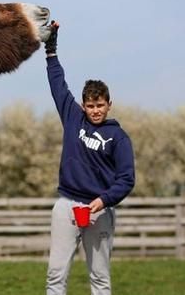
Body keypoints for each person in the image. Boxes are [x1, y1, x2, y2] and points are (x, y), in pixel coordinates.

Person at [43, 21, 136, 295]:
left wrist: (103, 200)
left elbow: (127, 179)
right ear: (83, 106)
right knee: (55, 276)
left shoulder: (119, 138)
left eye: (100, 105)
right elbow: (58, 85)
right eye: (91, 106)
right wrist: (51, 48)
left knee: (100, 279)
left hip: (100, 212)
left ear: (109, 104)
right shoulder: (73, 118)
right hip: (67, 206)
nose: (95, 110)